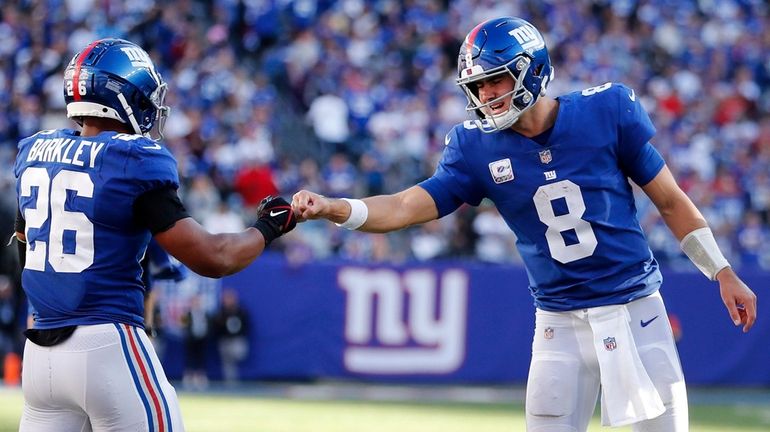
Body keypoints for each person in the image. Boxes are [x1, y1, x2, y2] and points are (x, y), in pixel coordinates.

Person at [292, 17, 757, 432]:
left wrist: (721, 270)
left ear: (531, 69)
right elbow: (402, 207)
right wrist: (335, 207)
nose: (486, 96)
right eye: (478, 86)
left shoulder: (607, 111)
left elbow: (671, 202)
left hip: (636, 310)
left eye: (495, 81)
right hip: (558, 321)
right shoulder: (474, 147)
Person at [12, 38, 297, 432]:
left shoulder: (35, 151)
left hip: (40, 354)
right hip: (107, 344)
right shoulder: (132, 159)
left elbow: (24, 240)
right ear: (123, 95)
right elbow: (214, 257)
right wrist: (270, 226)